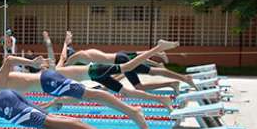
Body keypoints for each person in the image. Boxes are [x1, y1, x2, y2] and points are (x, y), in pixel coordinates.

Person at [0, 36, 180, 129]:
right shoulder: (0, 95)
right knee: (108, 84)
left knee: (97, 94)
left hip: (49, 82)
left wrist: (32, 63)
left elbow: (9, 59)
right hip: (51, 81)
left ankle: (134, 111)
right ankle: (135, 108)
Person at [42, 32, 174, 110]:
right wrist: (65, 42)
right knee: (127, 92)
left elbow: (63, 56)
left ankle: (158, 48)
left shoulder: (56, 73)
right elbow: (50, 104)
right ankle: (161, 99)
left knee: (128, 67)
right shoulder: (59, 89)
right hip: (96, 77)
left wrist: (59, 42)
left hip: (95, 70)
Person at [63, 40, 194, 94]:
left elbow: (64, 64)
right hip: (120, 57)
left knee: (139, 87)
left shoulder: (77, 56)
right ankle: (179, 78)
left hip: (120, 60)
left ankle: (176, 80)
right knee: (151, 71)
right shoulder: (86, 53)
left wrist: (64, 45)